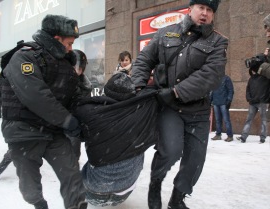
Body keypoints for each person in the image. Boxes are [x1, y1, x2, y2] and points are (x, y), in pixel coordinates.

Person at [131, 0, 228, 208]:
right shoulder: (166, 33)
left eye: (209, 10)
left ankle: (177, 199)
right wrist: (138, 85)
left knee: (195, 161)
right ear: (189, 9)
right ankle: (155, 183)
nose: (204, 13)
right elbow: (144, 60)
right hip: (170, 109)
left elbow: (211, 75)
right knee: (171, 151)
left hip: (198, 109)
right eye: (201, 7)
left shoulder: (218, 41)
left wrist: (176, 92)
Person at [0, 14, 87, 209]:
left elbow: (74, 95)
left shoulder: (64, 63)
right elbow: (35, 96)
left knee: (72, 175)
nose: (71, 49)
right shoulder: (24, 56)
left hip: (53, 132)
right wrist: (67, 120)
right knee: (30, 188)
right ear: (57, 39)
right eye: (69, 43)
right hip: (24, 132)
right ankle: (39, 204)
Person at [0, 49, 91, 183]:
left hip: (67, 122)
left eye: (77, 68)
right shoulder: (55, 77)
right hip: (44, 120)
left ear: (82, 70)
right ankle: (0, 168)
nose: (73, 71)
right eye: (71, 67)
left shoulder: (84, 85)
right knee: (21, 147)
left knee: (74, 150)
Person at [73, 72, 159, 207]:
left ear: (106, 92)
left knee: (81, 169)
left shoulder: (89, 112)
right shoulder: (144, 109)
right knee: (136, 148)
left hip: (93, 191)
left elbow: (76, 131)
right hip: (124, 192)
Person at [236, 67, 270, 144]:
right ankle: (244, 136)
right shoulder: (251, 79)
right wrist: (249, 99)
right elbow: (248, 89)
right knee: (250, 119)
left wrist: (265, 98)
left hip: (261, 102)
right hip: (253, 102)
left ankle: (262, 137)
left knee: (263, 120)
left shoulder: (265, 78)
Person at [210, 75, 234, 142]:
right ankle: (218, 134)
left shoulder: (226, 78)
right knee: (218, 120)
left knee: (226, 120)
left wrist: (229, 100)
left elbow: (230, 90)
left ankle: (230, 135)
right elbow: (212, 90)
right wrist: (210, 100)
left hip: (224, 102)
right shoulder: (214, 78)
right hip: (216, 102)